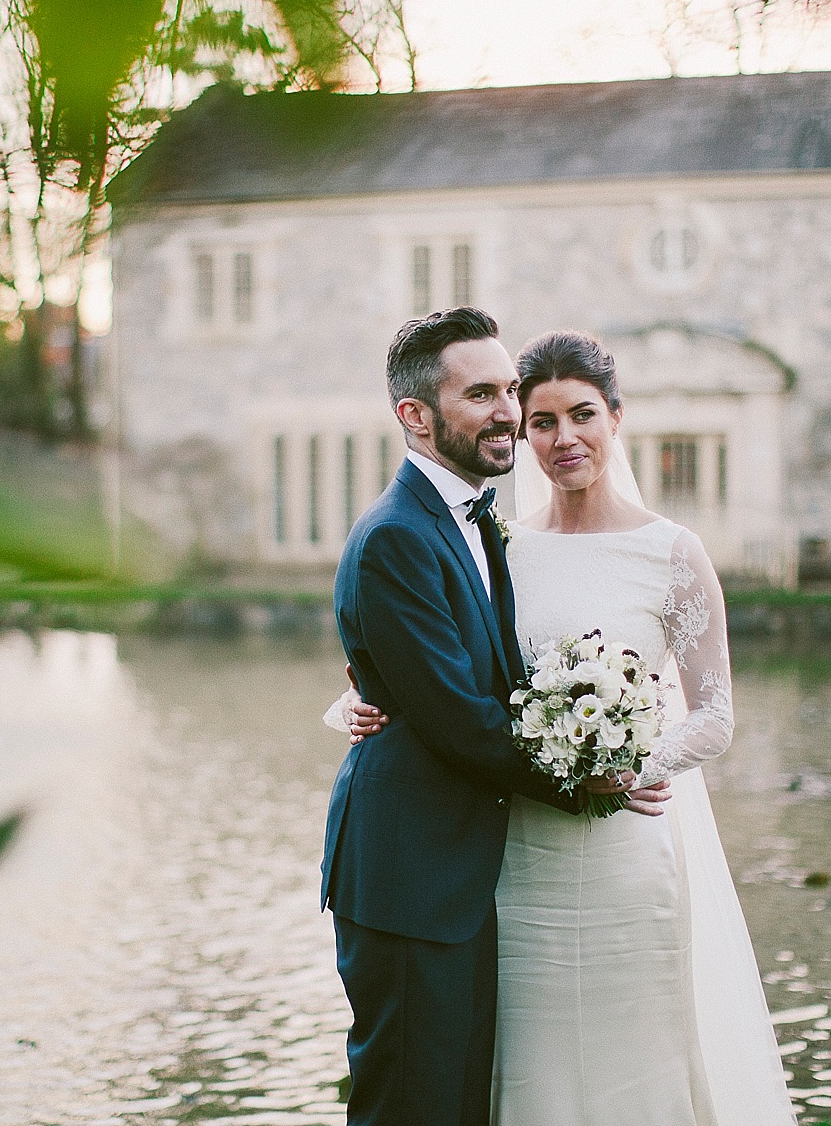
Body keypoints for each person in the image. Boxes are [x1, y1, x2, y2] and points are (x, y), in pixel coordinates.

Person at [331, 328, 796, 1125]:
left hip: (623, 833)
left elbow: (715, 716)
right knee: (520, 1063)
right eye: (539, 418)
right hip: (515, 856)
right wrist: (359, 697)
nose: (554, 435)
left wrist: (624, 762)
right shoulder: (505, 541)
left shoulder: (673, 554)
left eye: (578, 414)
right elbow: (448, 671)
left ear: (617, 418)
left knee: (635, 1053)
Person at [321, 308, 663, 1126]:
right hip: (410, 873)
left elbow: (484, 677)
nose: (510, 411)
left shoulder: (474, 520)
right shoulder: (398, 538)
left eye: (510, 389)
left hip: (459, 870)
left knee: (461, 1099)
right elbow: (464, 722)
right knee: (410, 1101)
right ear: (417, 415)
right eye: (482, 393)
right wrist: (590, 784)